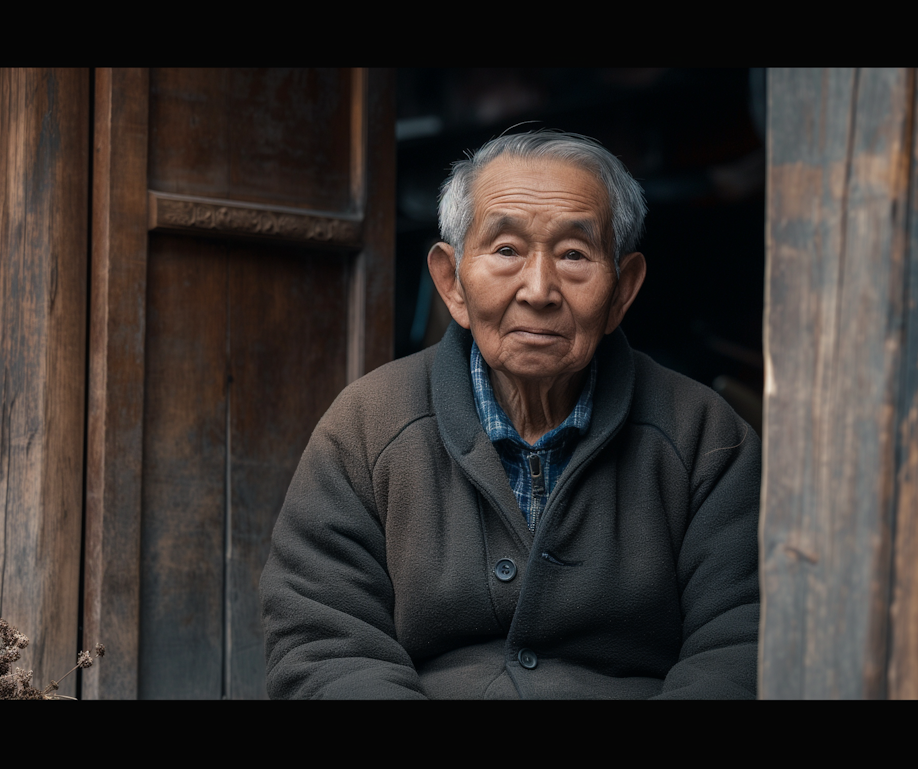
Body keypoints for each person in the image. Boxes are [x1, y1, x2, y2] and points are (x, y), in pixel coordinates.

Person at [260, 130, 760, 699]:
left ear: (622, 290)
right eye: (506, 251)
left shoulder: (705, 437)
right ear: (451, 283)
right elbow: (323, 641)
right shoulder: (367, 424)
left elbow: (741, 643)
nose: (539, 289)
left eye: (574, 254)